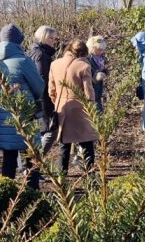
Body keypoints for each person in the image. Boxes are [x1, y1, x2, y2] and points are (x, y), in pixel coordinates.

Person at [0, 24, 46, 188]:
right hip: (23, 114)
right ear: (18, 42)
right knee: (31, 154)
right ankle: (32, 193)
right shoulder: (23, 61)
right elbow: (39, 86)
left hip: (1, 117)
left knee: (8, 157)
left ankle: (7, 194)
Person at [48, 39, 99, 175]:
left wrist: (58, 101)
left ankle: (61, 180)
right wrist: (92, 108)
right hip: (80, 109)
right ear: (83, 53)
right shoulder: (83, 66)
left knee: (64, 147)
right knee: (87, 144)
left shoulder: (54, 64)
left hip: (62, 108)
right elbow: (88, 91)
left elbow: (51, 91)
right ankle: (91, 179)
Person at [29, 25, 60, 153]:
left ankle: (34, 163)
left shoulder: (34, 51)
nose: (54, 41)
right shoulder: (41, 54)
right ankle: (36, 161)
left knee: (42, 131)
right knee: (49, 130)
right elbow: (42, 79)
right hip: (43, 98)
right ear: (43, 38)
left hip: (37, 97)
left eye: (54, 38)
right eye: (51, 38)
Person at [85, 35, 108, 112]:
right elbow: (85, 77)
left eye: (102, 49)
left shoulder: (101, 59)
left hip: (98, 94)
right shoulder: (86, 60)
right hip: (90, 95)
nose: (101, 52)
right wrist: (96, 77)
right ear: (91, 48)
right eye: (98, 49)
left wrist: (105, 71)